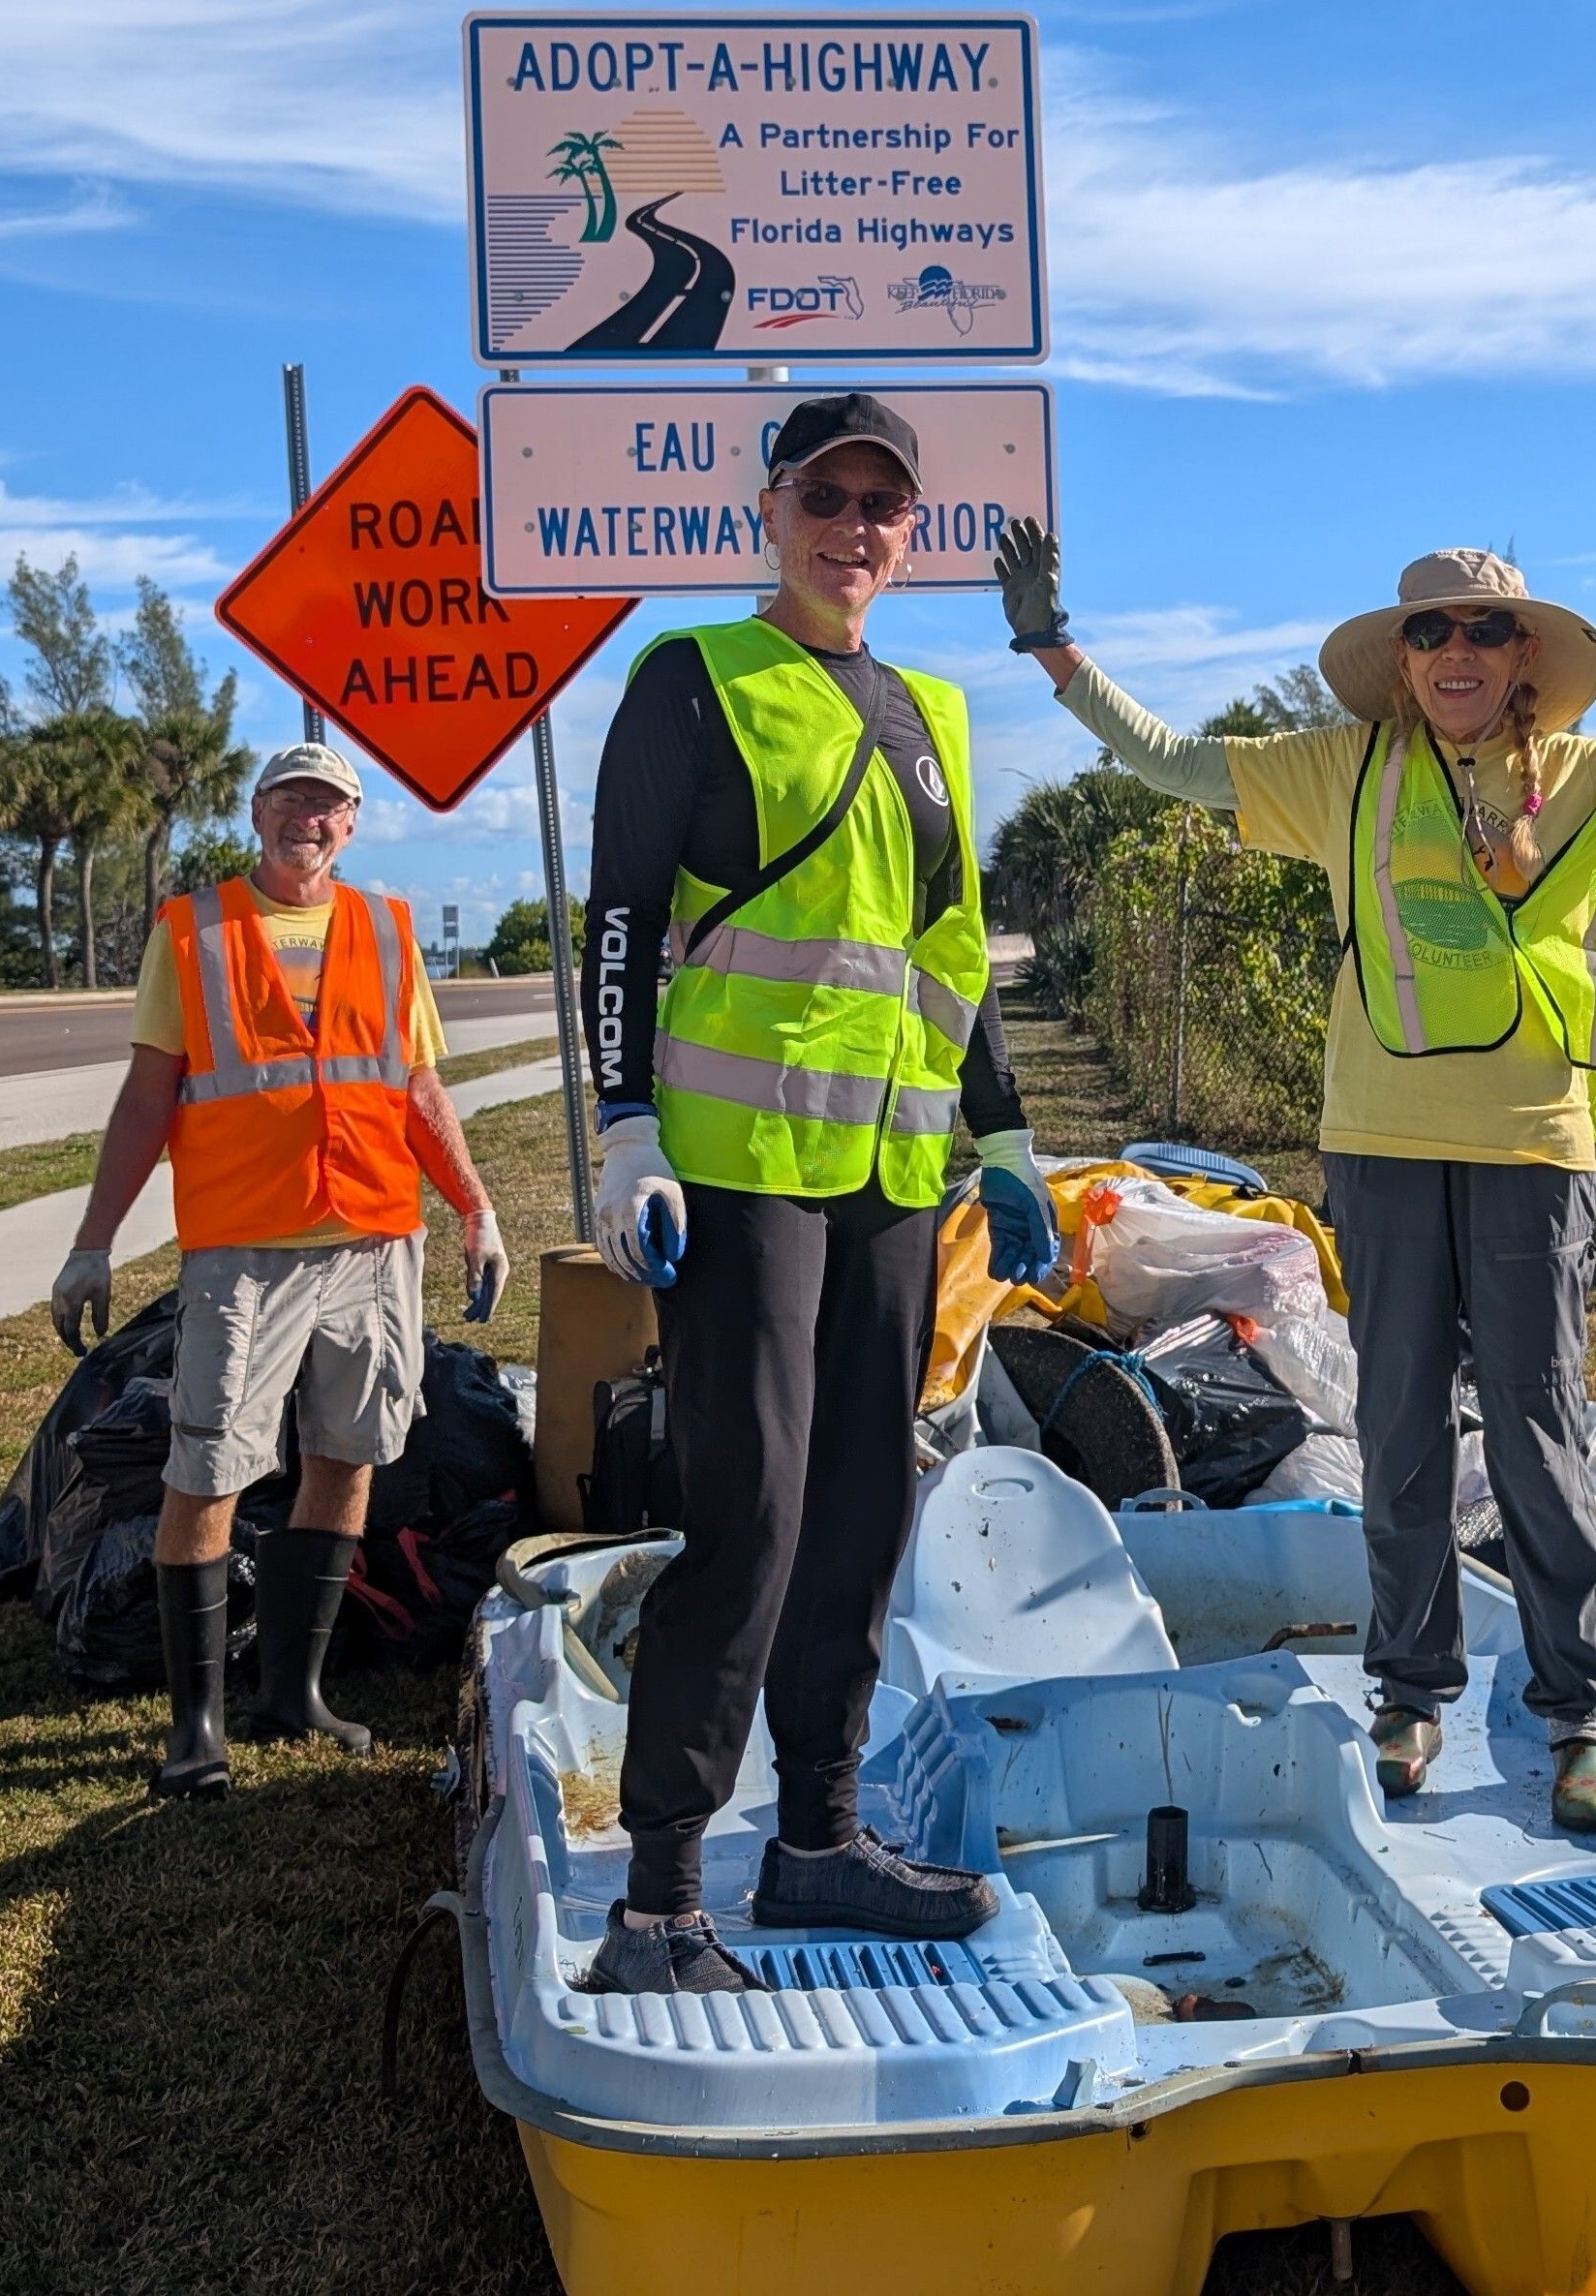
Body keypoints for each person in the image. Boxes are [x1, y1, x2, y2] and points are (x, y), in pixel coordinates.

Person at [993, 514, 1596, 1833]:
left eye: (1487, 626)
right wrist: (1052, 646)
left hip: (1529, 1146)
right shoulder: (1342, 768)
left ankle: (1578, 1713)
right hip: (1381, 1144)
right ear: (1403, 659)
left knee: (1537, 1426)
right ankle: (1409, 1694)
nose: (1460, 646)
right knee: (1395, 1427)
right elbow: (1169, 762)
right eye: (1432, 627)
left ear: (1524, 657)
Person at [578, 392, 1062, 1995]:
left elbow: (948, 958)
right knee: (755, 1514)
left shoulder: (930, 707)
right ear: (769, 512)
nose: (859, 526)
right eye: (830, 496)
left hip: (888, 1185)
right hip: (731, 1179)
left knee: (866, 1505)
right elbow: (620, 921)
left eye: (887, 505)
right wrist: (627, 1125)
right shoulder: (690, 683)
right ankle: (658, 1900)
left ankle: (817, 1843)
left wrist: (1004, 1141)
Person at [51, 742, 509, 1802]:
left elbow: (418, 1088)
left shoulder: (388, 931)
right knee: (207, 1464)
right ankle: (195, 1725)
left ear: (351, 825)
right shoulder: (194, 932)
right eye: (291, 797)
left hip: (372, 1239)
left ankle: (292, 1692)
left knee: (347, 1456)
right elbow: (144, 1100)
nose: (310, 816)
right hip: (245, 1252)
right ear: (257, 813)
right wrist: (93, 1236)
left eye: (330, 803)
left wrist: (475, 1209)